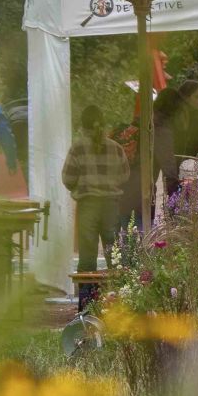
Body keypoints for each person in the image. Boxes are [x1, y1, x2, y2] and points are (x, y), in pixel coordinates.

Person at [62, 106, 130, 272]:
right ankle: (116, 287)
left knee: (87, 257)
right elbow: (125, 176)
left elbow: (68, 178)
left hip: (87, 205)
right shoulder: (116, 148)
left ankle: (87, 288)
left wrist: (80, 185)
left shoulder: (77, 148)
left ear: (83, 126)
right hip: (111, 206)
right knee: (114, 256)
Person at [153, 88, 186, 199]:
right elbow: (167, 160)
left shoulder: (148, 118)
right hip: (141, 182)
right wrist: (175, 189)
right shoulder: (161, 127)